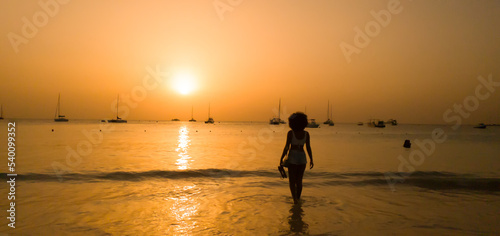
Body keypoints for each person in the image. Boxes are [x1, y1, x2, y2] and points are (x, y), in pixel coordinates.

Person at [280, 112, 314, 204]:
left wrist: (282, 157)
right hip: (302, 156)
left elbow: (287, 146)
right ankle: (298, 198)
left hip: (293, 156)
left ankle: (294, 199)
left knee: (292, 180)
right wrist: (311, 159)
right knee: (299, 180)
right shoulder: (306, 134)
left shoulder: (291, 133)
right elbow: (308, 147)